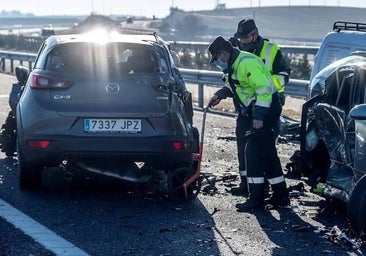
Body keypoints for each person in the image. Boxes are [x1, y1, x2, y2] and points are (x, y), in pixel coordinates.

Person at [207, 36, 289, 211]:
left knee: (252, 152)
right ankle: (281, 196)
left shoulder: (246, 63)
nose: (218, 62)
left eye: (217, 58)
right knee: (268, 153)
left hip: (265, 110)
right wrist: (221, 94)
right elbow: (236, 86)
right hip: (258, 110)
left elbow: (264, 89)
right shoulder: (235, 65)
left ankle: (256, 199)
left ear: (223, 53)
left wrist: (258, 116)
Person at [228, 18, 291, 195]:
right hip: (246, 108)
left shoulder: (271, 50)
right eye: (240, 38)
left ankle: (263, 188)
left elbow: (284, 75)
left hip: (267, 107)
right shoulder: (238, 51)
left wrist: (265, 84)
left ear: (255, 34)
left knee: (263, 149)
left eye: (245, 37)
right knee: (244, 148)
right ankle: (246, 185)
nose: (242, 41)